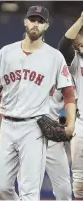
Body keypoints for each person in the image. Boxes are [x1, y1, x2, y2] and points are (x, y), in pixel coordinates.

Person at [0, 5, 76, 201]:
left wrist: (71, 123)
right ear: (25, 21)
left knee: (29, 192)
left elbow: (69, 93)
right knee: (2, 188)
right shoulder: (6, 52)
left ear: (46, 26)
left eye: (40, 21)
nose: (35, 24)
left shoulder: (54, 57)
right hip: (8, 126)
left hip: (35, 127)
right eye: (33, 19)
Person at [58, 11, 83, 200]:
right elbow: (63, 45)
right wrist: (81, 20)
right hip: (81, 122)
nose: (79, 46)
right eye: (78, 45)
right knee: (80, 180)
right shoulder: (75, 61)